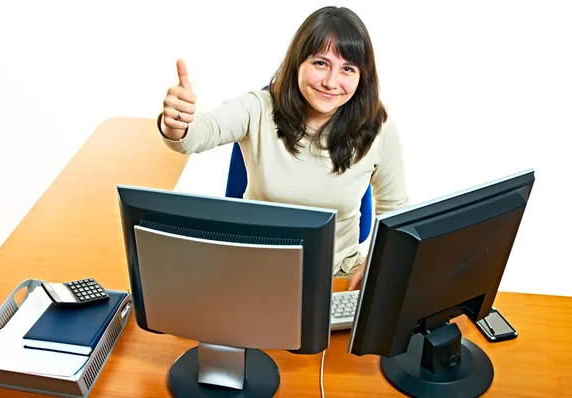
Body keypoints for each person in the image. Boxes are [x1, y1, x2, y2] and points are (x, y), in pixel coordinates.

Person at [157, 6, 409, 290]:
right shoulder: (260, 107)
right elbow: (199, 133)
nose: (331, 82)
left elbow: (395, 211)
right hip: (253, 266)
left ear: (362, 77)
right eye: (320, 63)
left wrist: (376, 259)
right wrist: (177, 123)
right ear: (298, 61)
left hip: (337, 274)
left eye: (347, 69)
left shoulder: (379, 128)